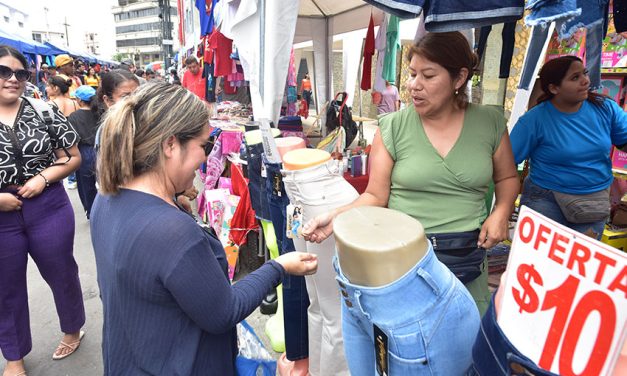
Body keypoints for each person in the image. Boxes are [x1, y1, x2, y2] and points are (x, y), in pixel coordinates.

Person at [91, 82, 318, 375]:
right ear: (170, 145)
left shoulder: (106, 199)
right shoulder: (170, 231)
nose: (207, 157)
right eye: (205, 145)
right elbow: (224, 312)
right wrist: (280, 266)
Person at [302, 31, 520, 315]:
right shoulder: (393, 127)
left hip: (466, 261)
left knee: (464, 344)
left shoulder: (489, 121)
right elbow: (375, 196)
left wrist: (502, 211)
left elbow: (507, 178)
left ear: (459, 78)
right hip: (404, 261)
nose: (413, 85)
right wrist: (334, 217)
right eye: (412, 74)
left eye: (428, 76)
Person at [0, 45, 85, 376]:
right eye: (3, 72)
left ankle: (72, 327)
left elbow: (73, 157)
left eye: (20, 73)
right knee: (5, 286)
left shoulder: (45, 110)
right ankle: (14, 355)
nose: (12, 79)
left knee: (61, 270)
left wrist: (42, 178)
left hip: (47, 204)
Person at [511, 55, 627, 239]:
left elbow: (624, 140)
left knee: (579, 265)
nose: (585, 81)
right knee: (541, 262)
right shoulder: (534, 120)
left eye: (585, 73)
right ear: (554, 88)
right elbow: (507, 162)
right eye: (575, 78)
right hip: (547, 200)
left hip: (593, 203)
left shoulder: (605, 109)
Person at [68, 85, 99, 219]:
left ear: (80, 100)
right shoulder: (100, 112)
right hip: (100, 149)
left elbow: (72, 139)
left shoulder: (74, 116)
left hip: (84, 151)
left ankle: (91, 211)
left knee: (85, 184)